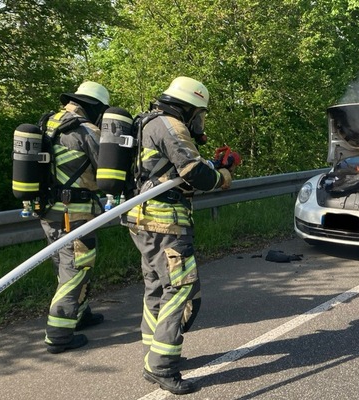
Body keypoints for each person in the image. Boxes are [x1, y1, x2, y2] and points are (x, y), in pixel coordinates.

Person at [123, 76, 236, 395]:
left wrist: (211, 163)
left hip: (141, 220)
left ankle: (154, 350)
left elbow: (168, 173)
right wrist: (223, 174)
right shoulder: (172, 125)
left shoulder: (147, 122)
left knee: (157, 286)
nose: (199, 120)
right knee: (181, 288)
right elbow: (194, 173)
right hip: (165, 224)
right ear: (188, 107)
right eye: (198, 112)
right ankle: (161, 365)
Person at [40, 81, 109, 354]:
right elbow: (107, 171)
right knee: (76, 268)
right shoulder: (87, 130)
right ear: (94, 107)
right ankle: (58, 335)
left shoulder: (48, 123)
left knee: (64, 265)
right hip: (75, 212)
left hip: (48, 210)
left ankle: (79, 313)